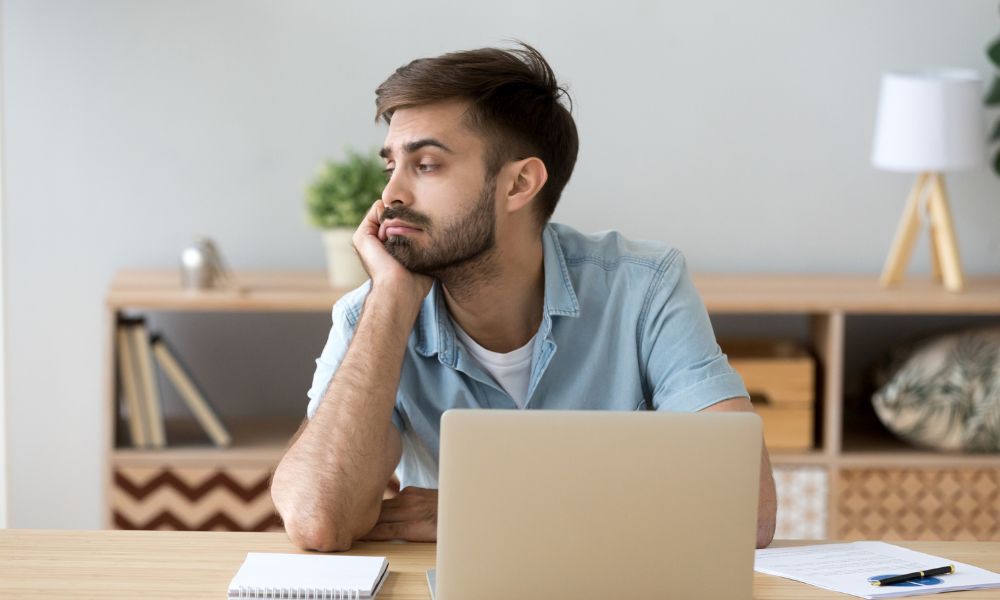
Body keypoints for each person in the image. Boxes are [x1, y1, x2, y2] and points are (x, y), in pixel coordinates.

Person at [270, 42, 777, 552]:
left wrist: (486, 509)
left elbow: (745, 511)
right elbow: (318, 520)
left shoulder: (643, 287)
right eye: (391, 168)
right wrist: (390, 301)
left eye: (425, 165)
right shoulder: (373, 313)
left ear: (518, 184)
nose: (391, 196)